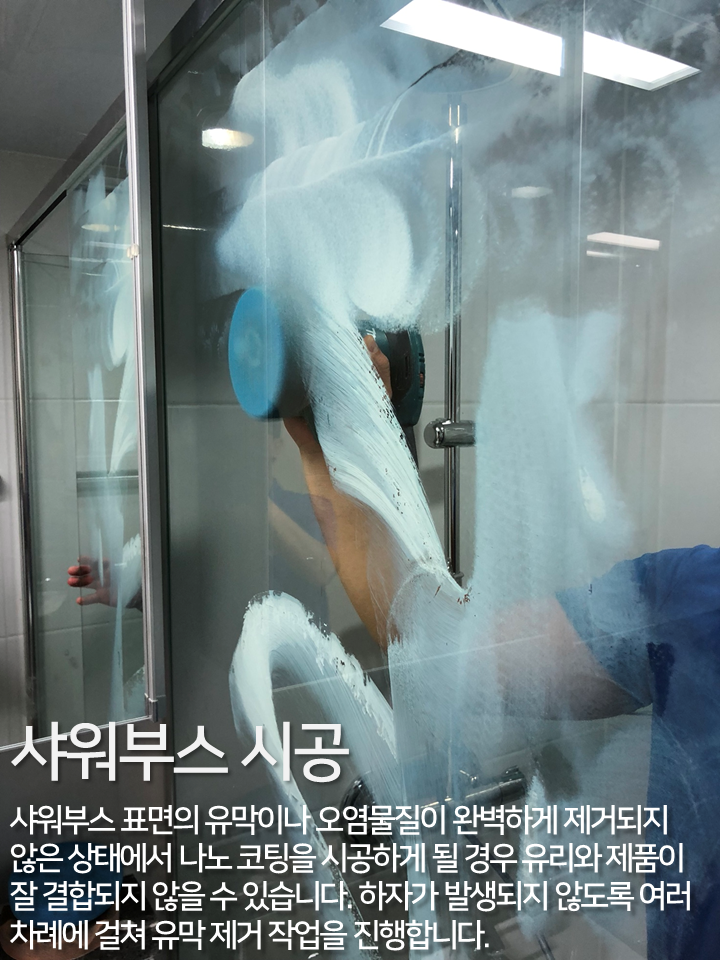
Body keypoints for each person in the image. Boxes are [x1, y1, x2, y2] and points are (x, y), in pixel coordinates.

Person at [283, 337, 720, 960]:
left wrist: (337, 434)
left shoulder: (699, 600)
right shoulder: (693, 602)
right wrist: (330, 438)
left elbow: (432, 648)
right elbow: (442, 654)